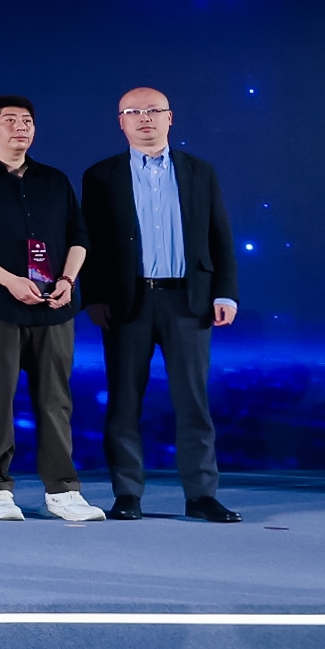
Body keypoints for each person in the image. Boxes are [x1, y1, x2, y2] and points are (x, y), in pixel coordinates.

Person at [82, 89, 244, 523]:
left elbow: (220, 235)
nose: (145, 118)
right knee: (123, 402)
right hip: (126, 303)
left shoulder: (199, 171)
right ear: (121, 121)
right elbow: (90, 243)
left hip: (188, 301)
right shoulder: (100, 175)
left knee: (193, 402)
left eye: (154, 111)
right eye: (134, 112)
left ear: (170, 118)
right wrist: (93, 296)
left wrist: (225, 292)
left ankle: (201, 495)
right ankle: (127, 494)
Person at [0, 96, 96, 526]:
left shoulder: (55, 180)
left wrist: (67, 281)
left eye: (27, 120)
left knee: (56, 400)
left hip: (55, 308)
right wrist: (9, 280)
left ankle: (62, 491)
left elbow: (79, 236)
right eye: (9, 120)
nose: (21, 127)